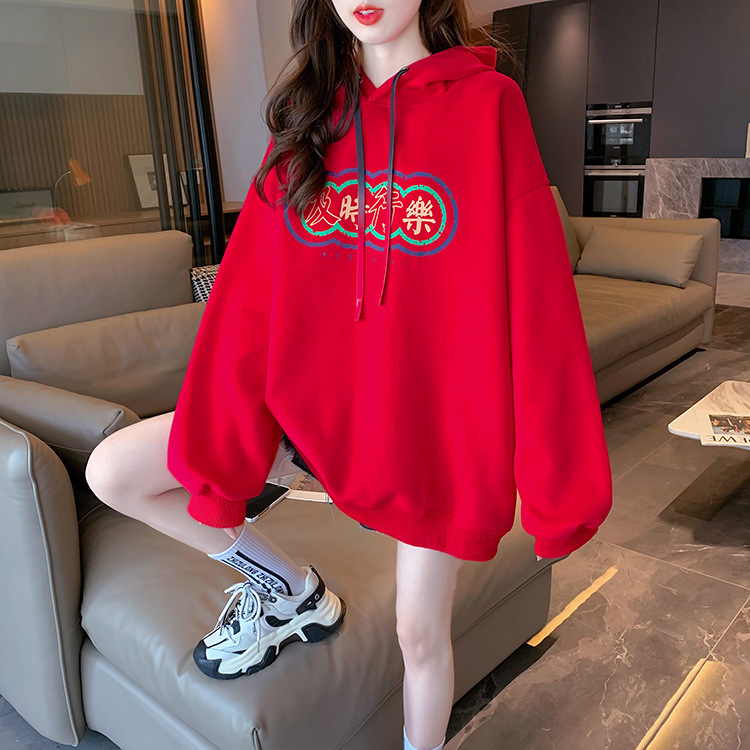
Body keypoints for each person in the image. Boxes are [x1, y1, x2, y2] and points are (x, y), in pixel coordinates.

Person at [85, 1, 613, 749]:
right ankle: (289, 590)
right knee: (112, 471)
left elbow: (537, 296)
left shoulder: (488, 105)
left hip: (425, 441)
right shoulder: (308, 120)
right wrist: (226, 438)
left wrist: (562, 486)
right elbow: (246, 298)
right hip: (308, 429)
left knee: (419, 634)